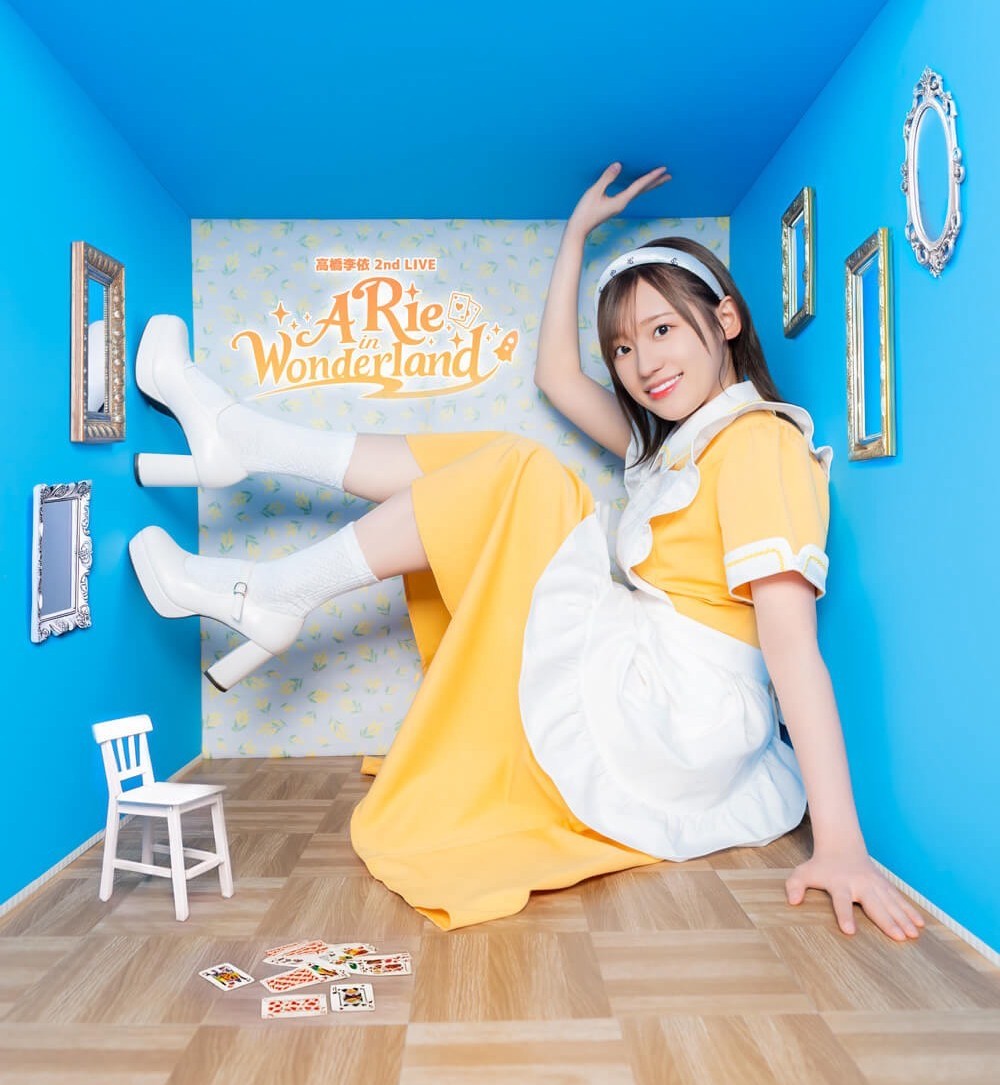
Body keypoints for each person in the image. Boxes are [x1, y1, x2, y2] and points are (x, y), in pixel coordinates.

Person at [128, 163, 925, 943]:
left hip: (685, 713)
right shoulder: (676, 451)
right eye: (622, 348)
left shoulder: (757, 445)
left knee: (522, 473)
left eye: (662, 330)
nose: (644, 364)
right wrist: (576, 236)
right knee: (499, 467)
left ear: (725, 321)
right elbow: (556, 377)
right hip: (654, 673)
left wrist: (841, 843)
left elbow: (793, 652)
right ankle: (254, 480)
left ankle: (265, 535)